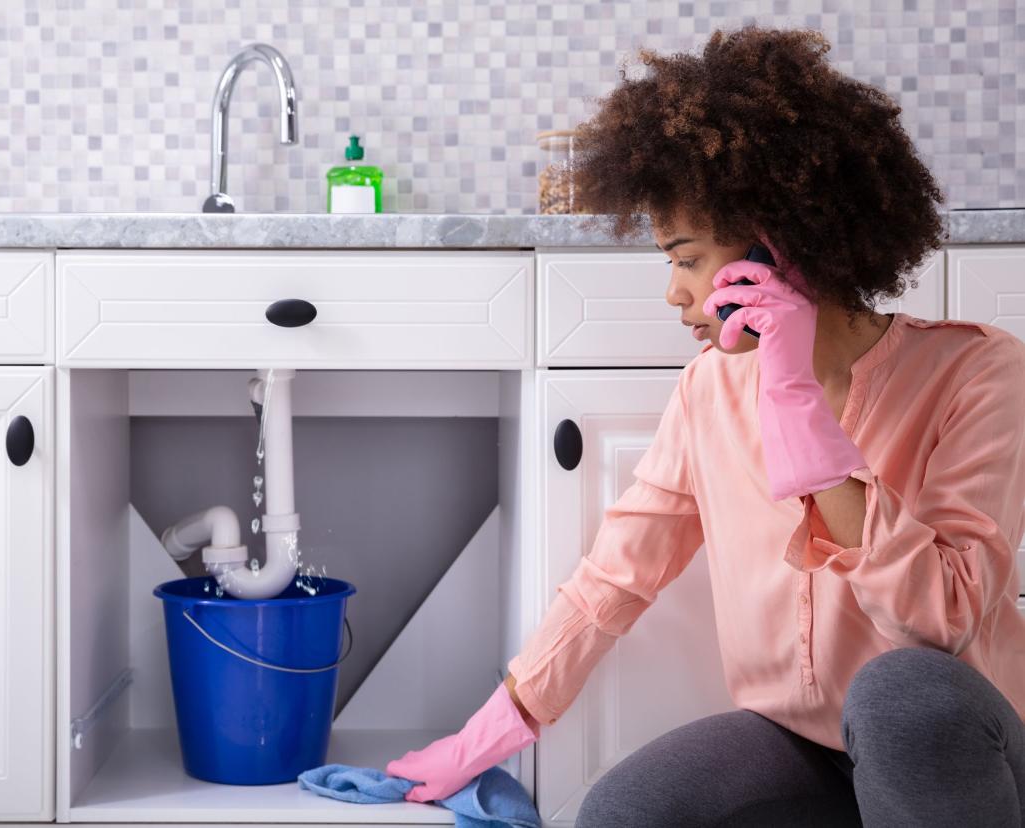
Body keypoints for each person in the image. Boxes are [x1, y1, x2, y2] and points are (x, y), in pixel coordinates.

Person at [386, 25, 1025, 826]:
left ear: (781, 247)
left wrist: (797, 408)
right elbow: (614, 578)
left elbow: (945, 621)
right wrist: (485, 736)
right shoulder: (709, 392)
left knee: (900, 693)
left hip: (954, 754)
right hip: (806, 751)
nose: (673, 293)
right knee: (621, 813)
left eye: (685, 258)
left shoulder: (978, 372)